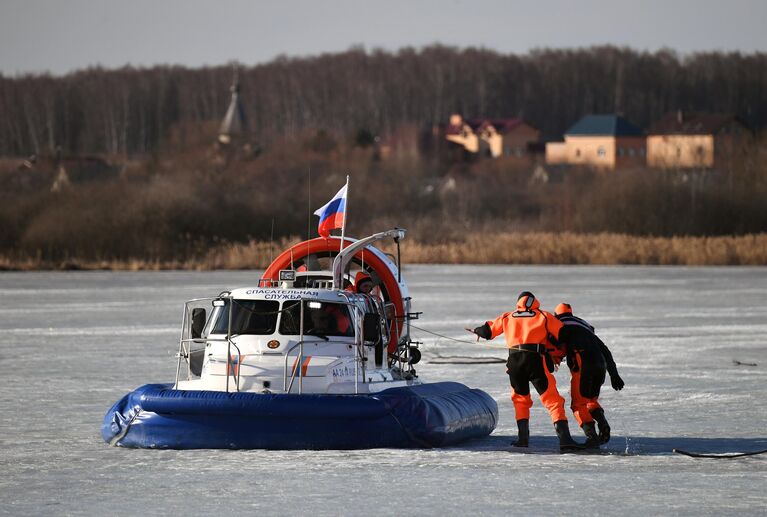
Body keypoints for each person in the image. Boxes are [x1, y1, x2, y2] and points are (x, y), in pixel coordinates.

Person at [468, 291, 582, 451]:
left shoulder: (508, 316)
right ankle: (565, 439)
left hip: (514, 362)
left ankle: (523, 439)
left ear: (518, 302)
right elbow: (563, 334)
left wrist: (477, 330)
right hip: (535, 360)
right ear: (535, 302)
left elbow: (487, 331)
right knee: (552, 400)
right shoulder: (543, 315)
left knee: (520, 399)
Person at [555, 302, 624, 447]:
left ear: (557, 315)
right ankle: (602, 422)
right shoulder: (584, 325)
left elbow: (556, 345)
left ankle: (592, 437)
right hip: (600, 363)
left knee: (578, 404)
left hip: (583, 363)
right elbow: (605, 350)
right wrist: (614, 374)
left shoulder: (558, 324)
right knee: (590, 399)